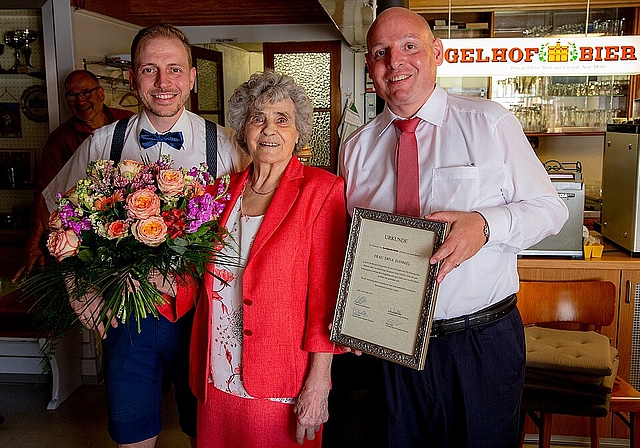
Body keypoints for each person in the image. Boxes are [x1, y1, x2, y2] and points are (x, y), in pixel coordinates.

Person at [339, 7, 569, 448]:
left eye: (409, 46)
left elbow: (550, 208)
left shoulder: (489, 122)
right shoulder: (356, 148)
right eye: (381, 52)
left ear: (437, 52)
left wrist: (485, 225)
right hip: (392, 343)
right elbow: (354, 243)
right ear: (370, 67)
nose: (395, 61)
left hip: (479, 342)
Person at [42, 24, 247, 448]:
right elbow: (57, 216)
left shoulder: (225, 145)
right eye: (149, 70)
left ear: (192, 76)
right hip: (126, 313)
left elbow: (254, 228)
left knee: (204, 434)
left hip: (202, 316)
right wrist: (79, 289)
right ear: (132, 79)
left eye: (174, 69)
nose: (163, 82)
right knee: (133, 434)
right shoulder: (103, 143)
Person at [185, 70, 347, 447]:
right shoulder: (220, 192)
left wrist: (319, 382)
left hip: (279, 377)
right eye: (258, 118)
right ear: (243, 129)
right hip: (217, 370)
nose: (268, 128)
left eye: (281, 119)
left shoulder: (321, 191)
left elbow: (327, 299)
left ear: (297, 133)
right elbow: (193, 278)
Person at [13, 70, 134, 281]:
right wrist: (33, 248)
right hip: (87, 238)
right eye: (72, 95)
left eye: (86, 93)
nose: (80, 101)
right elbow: (44, 195)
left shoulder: (128, 122)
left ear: (101, 94)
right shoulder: (59, 139)